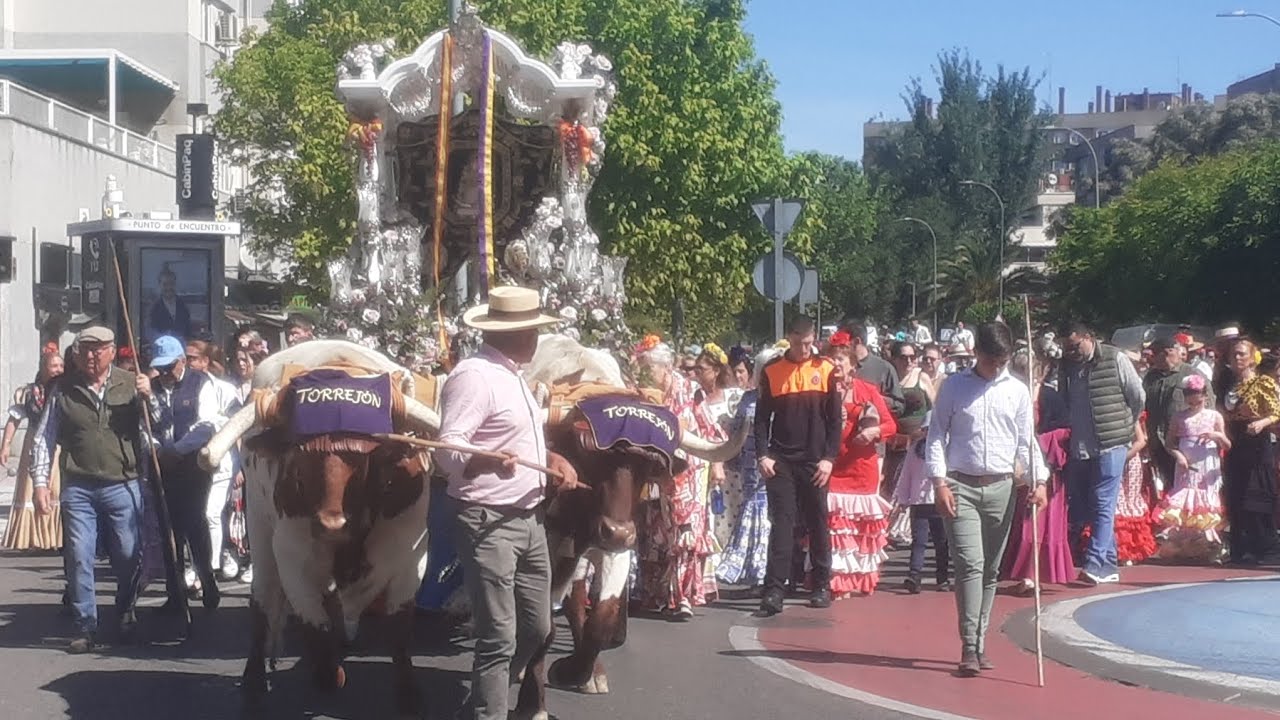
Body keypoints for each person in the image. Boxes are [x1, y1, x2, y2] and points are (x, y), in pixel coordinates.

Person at [434, 287, 578, 720]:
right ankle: (489, 714)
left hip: (529, 518)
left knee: (538, 627)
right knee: (499, 634)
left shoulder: (514, 374)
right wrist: (478, 461)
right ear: (509, 333)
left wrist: (552, 459)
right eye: (531, 330)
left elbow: (520, 438)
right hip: (486, 519)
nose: (536, 337)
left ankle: (485, 696)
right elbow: (446, 450)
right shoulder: (473, 376)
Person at [926, 321, 1046, 677]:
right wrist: (939, 483)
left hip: (1002, 488)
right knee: (970, 565)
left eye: (1003, 360)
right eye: (992, 360)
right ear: (976, 353)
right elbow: (935, 436)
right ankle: (969, 644)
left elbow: (1028, 441)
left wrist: (1040, 480)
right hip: (960, 484)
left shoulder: (1017, 390)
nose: (997, 367)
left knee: (991, 570)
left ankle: (980, 641)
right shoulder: (954, 386)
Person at [29, 326, 149, 652]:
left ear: (112, 351)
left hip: (123, 482)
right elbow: (44, 437)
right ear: (77, 354)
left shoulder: (131, 384)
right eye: (86, 349)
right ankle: (85, 626)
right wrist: (40, 483)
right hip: (78, 485)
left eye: (99, 349)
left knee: (128, 554)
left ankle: (125, 608)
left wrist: (149, 399)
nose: (92, 355)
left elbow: (152, 432)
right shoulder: (63, 389)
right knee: (79, 556)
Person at [753, 316, 842, 616]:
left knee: (818, 522)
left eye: (810, 342)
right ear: (789, 338)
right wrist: (762, 454)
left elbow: (835, 420)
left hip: (816, 461)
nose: (806, 349)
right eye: (800, 342)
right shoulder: (772, 371)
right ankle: (775, 589)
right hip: (782, 461)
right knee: (782, 524)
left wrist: (829, 458)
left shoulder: (826, 369)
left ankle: (821, 585)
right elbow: (762, 418)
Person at [635, 337, 724, 618]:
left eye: (650, 369)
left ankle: (683, 595)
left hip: (689, 471)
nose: (646, 375)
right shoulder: (639, 393)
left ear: (666, 367)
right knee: (655, 534)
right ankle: (656, 594)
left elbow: (709, 428)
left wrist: (718, 463)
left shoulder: (690, 390)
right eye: (642, 369)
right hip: (654, 473)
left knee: (685, 534)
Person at [1058, 322, 1145, 585]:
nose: (1072, 352)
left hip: (1112, 442)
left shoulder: (1115, 358)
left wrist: (1125, 423)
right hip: (1082, 445)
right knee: (1090, 504)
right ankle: (1109, 564)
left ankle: (1094, 562)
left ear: (1089, 337)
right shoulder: (1067, 365)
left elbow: (1137, 395)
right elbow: (1064, 399)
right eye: (1067, 348)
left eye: (1075, 346)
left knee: (1103, 500)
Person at [148, 335, 225, 612]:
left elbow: (206, 425)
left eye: (170, 366)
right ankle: (175, 591)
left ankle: (206, 577)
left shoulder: (200, 383)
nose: (165, 373)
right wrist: (157, 450)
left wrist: (177, 451)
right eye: (160, 368)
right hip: (162, 467)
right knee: (169, 529)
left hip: (192, 466)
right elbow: (146, 427)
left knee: (194, 523)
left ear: (182, 361)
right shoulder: (152, 389)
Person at [1000, 343, 1076, 595]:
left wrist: (1040, 441)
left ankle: (1038, 574)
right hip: (1020, 469)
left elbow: (1066, 431)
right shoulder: (1010, 396)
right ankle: (1024, 573)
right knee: (1023, 523)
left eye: (1030, 372)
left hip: (1049, 472)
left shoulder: (1051, 397)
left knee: (1042, 522)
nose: (1026, 377)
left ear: (1040, 373)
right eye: (1020, 371)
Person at [825, 334, 895, 596]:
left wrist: (873, 432)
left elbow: (890, 425)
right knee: (836, 530)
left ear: (852, 364)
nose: (834, 362)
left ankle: (859, 580)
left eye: (840, 358)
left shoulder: (868, 391)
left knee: (860, 531)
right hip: (832, 468)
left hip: (861, 469)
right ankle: (836, 583)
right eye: (830, 357)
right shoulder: (822, 390)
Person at [716, 348, 779, 589]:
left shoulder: (781, 400)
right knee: (752, 506)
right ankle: (753, 567)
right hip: (749, 465)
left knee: (768, 512)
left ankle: (765, 568)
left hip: (775, 462)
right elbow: (736, 429)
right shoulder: (748, 398)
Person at [1155, 374, 1228, 562]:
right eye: (1188, 393)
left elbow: (1227, 445)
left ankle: (1210, 546)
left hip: (1207, 462)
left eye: (1195, 393)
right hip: (1187, 463)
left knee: (1206, 501)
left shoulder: (1214, 416)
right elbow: (1170, 443)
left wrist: (1216, 436)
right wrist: (1178, 456)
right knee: (1186, 500)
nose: (1191, 397)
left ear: (1204, 394)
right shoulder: (1179, 417)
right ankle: (1185, 546)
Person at [1222, 339, 1279, 564]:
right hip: (1237, 442)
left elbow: (1276, 410)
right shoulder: (1230, 386)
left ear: (1252, 357)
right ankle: (1241, 548)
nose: (1237, 359)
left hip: (1257, 441)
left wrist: (1262, 423)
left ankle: (1266, 547)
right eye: (1234, 355)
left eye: (1242, 354)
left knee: (1256, 495)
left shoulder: (1263, 382)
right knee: (1236, 494)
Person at [2, 348, 66, 550]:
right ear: (43, 368)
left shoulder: (65, 390)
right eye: (54, 366)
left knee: (55, 488)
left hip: (57, 444)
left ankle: (54, 539)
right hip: (33, 441)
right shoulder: (29, 392)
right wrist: (6, 445)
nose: (58, 370)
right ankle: (31, 538)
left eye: (61, 366)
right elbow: (14, 419)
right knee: (30, 488)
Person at [1144, 337, 1212, 490]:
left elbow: (1209, 408)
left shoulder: (1192, 373)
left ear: (1167, 352)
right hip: (1159, 443)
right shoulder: (1151, 377)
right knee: (1167, 487)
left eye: (1154, 354)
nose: (1151, 359)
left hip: (1187, 445)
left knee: (1188, 489)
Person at [842, 320, 905, 417]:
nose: (839, 345)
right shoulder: (837, 366)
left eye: (843, 341)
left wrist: (875, 398)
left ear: (856, 341)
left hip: (872, 428)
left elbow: (899, 406)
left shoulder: (884, 368)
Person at [148, 268, 191, 341]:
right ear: (159, 285)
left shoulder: (183, 306)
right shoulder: (154, 308)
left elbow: (188, 330)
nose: (169, 287)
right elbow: (150, 333)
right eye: (165, 284)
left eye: (171, 284)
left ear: (175, 284)